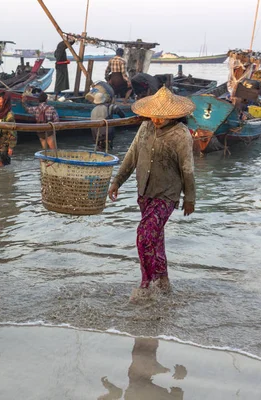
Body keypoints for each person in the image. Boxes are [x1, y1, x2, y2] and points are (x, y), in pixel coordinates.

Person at [108, 87, 196, 301]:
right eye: (154, 115)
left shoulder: (181, 134)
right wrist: (117, 181)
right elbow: (131, 156)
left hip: (167, 194)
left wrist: (190, 198)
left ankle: (146, 283)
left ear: (173, 115)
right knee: (155, 239)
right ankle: (163, 281)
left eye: (162, 116)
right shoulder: (145, 127)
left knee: (144, 236)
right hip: (144, 191)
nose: (157, 119)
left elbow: (187, 168)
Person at [0, 92, 17, 167]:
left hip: (5, 142)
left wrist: (11, 147)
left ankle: (8, 177)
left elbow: (13, 132)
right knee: (0, 161)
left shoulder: (9, 115)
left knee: (5, 162)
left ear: (5, 101)